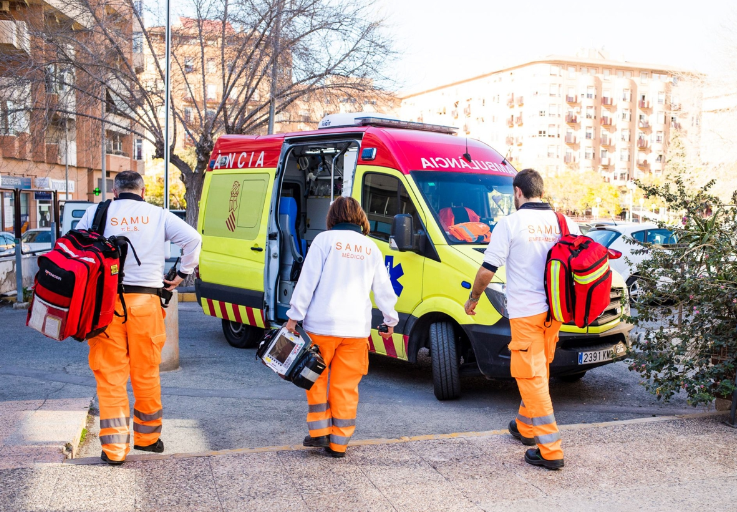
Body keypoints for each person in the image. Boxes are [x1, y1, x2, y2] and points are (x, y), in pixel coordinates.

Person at [77, 171, 201, 465]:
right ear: (143, 191)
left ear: (115, 191)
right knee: (146, 373)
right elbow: (193, 239)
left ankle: (115, 450)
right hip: (146, 302)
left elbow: (75, 248)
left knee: (110, 377)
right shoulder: (157, 214)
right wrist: (181, 274)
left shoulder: (97, 213)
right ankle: (147, 438)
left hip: (105, 306)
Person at [464, 169, 580, 470]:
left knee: (532, 378)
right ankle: (525, 427)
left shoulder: (510, 224)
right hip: (555, 313)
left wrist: (474, 297)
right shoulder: (564, 222)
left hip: (527, 313)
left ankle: (550, 450)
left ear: (518, 192)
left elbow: (488, 269)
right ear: (540, 191)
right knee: (538, 371)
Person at [285, 196, 398, 458]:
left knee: (314, 378)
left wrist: (293, 317)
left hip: (321, 326)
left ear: (332, 217)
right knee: (345, 386)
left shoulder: (324, 241)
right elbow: (383, 289)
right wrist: (390, 320)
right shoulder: (371, 248)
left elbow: (307, 283)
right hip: (356, 331)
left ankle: (319, 433)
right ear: (359, 216)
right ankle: (338, 444)